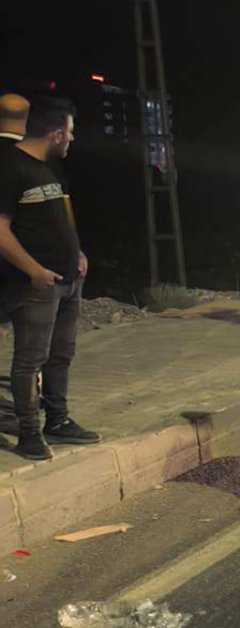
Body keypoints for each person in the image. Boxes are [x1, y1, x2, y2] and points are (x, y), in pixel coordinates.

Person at [0, 97, 99, 460]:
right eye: (70, 133)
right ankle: (29, 434)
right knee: (31, 358)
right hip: (36, 284)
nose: (72, 140)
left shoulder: (53, 167)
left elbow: (62, 218)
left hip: (69, 280)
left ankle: (58, 420)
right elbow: (0, 229)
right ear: (56, 134)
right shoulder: (11, 166)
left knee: (61, 355)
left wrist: (79, 253)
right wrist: (33, 270)